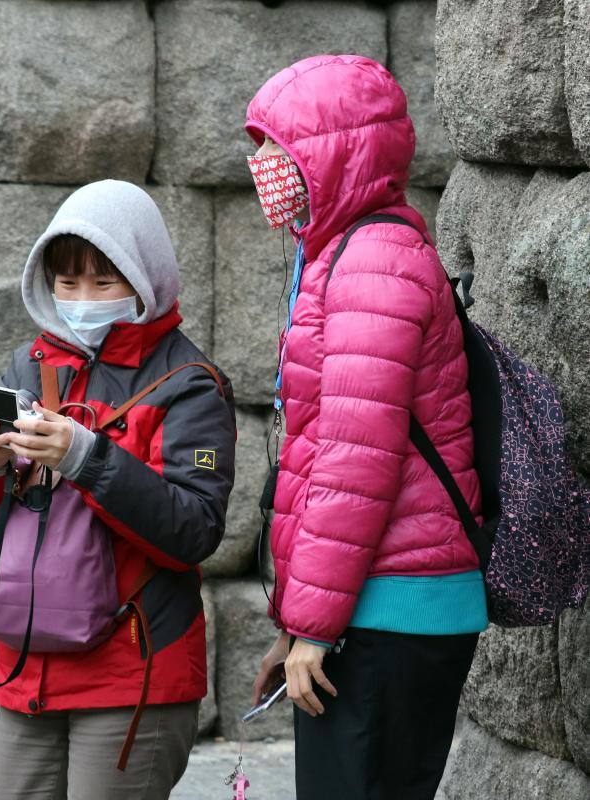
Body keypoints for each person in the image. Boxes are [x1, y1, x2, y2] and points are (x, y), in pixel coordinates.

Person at [0, 180, 237, 799]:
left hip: (132, 671)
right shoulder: (30, 365)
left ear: (145, 278)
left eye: (105, 283)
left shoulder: (190, 384)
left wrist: (85, 456)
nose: (81, 299)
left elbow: (194, 532)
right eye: (67, 282)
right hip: (26, 664)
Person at [245, 55, 488, 800]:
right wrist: (298, 621)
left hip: (391, 604)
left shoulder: (370, 263)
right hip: (372, 600)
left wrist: (313, 627)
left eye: (271, 146)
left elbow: (358, 462)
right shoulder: (343, 254)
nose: (257, 164)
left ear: (330, 152)